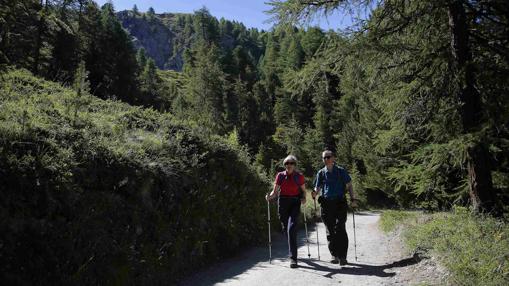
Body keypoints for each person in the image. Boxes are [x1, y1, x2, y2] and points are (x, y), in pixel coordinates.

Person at [312, 150, 357, 265]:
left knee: (340, 228)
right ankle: (334, 255)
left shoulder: (341, 171)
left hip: (340, 202)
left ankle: (342, 257)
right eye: (324, 158)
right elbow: (318, 187)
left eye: (328, 157)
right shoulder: (321, 173)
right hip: (326, 204)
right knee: (330, 230)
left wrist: (353, 199)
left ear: (333, 158)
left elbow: (349, 185)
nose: (326, 159)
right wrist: (314, 193)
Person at [266, 155, 307, 268]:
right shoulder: (280, 176)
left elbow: (303, 191)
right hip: (283, 202)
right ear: (285, 165)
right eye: (287, 164)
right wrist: (269, 197)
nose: (289, 165)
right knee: (286, 228)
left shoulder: (299, 176)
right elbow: (275, 192)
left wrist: (304, 198)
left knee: (291, 228)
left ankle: (293, 258)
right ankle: (291, 243)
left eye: (291, 163)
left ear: (295, 165)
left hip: (295, 202)